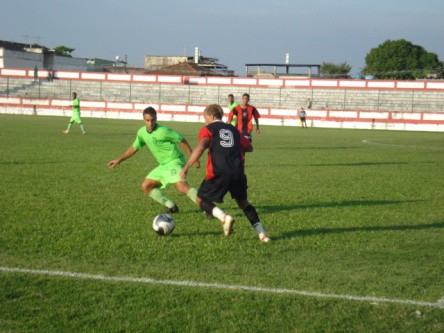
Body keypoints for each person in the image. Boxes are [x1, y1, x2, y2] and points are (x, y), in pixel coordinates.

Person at [180, 104, 270, 242]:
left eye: (205, 117)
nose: (204, 120)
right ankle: (262, 234)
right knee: (244, 204)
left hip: (219, 171)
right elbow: (249, 147)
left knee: (200, 199)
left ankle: (224, 218)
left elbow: (201, 146)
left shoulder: (207, 129)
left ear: (211, 116)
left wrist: (186, 168)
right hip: (238, 172)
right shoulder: (233, 129)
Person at [108, 107, 200, 214]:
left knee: (182, 187)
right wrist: (119, 160)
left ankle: (208, 208)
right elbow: (134, 148)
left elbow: (182, 140)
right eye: (147, 120)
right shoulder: (142, 132)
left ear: (156, 118)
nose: (150, 123)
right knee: (146, 186)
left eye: (152, 120)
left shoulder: (163, 131)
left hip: (175, 161)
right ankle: (171, 206)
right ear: (144, 120)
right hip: (163, 165)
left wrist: (193, 159)